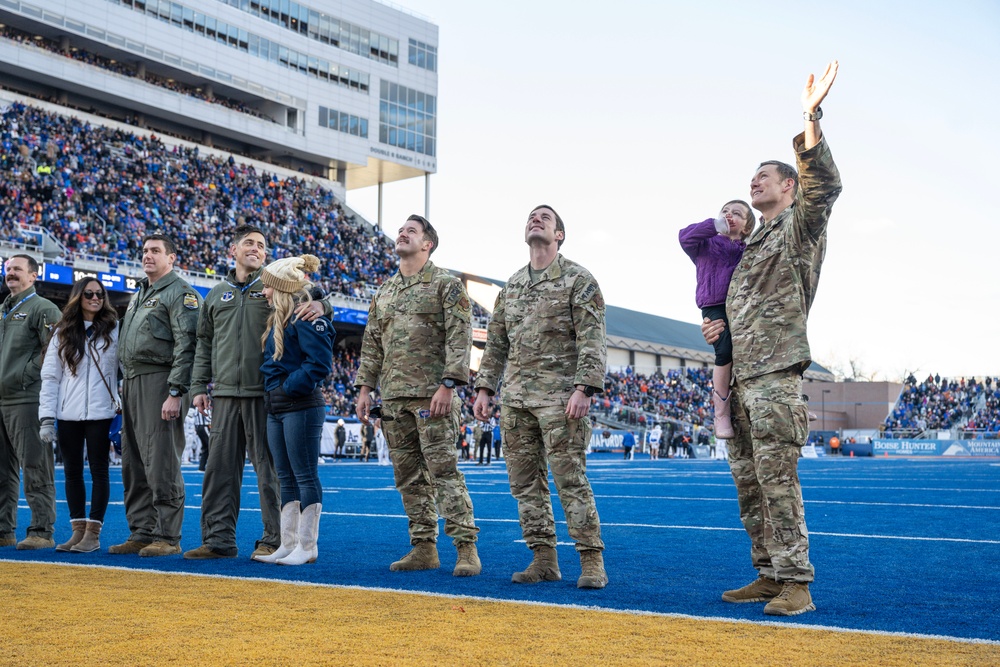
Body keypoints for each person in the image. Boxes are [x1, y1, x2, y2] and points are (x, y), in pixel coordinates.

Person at [702, 61, 842, 616]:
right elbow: (742, 309)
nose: (753, 181)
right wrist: (719, 326)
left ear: (789, 186)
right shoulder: (750, 247)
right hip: (739, 379)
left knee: (778, 481)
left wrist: (809, 118)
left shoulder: (799, 225)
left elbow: (826, 185)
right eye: (751, 176)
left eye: (766, 175)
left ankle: (797, 583)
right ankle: (767, 572)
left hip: (776, 378)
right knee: (749, 485)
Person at [474, 204, 608, 589]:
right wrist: (485, 388)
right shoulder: (512, 286)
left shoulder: (578, 279)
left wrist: (584, 387)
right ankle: (543, 558)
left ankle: (590, 559)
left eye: (545, 218)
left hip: (561, 398)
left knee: (571, 481)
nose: (536, 220)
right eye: (532, 217)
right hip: (515, 400)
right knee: (525, 483)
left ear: (559, 235)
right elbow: (496, 342)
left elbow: (592, 337)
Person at [354, 214, 481, 577]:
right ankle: (424, 547)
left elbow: (461, 337)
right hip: (393, 398)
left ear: (428, 243)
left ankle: (465, 548)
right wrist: (365, 388)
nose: (403, 233)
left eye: (412, 230)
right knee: (408, 476)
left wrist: (449, 384)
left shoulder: (446, 285)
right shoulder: (385, 291)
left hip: (432, 395)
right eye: (401, 230)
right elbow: (372, 343)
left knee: (444, 473)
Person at [184, 225, 282, 561]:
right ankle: (218, 540)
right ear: (233, 250)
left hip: (263, 394)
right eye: (249, 243)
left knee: (269, 471)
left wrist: (323, 308)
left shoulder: (275, 289)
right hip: (224, 394)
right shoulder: (215, 294)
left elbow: (315, 304)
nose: (255, 249)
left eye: (261, 245)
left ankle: (275, 540)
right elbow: (203, 345)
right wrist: (198, 386)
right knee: (219, 470)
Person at [110, 234, 201, 557]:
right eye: (145, 250)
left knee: (161, 458)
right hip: (133, 382)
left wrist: (176, 391)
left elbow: (187, 345)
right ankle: (141, 531)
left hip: (161, 381)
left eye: (155, 251)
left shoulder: (180, 293)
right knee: (132, 461)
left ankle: (167, 535)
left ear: (171, 258)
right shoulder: (140, 293)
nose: (148, 256)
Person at [257, 254, 334, 566]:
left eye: (268, 287)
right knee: (285, 476)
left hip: (300, 406)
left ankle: (307, 546)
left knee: (304, 474)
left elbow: (319, 365)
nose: (263, 292)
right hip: (278, 407)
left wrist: (287, 388)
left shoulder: (306, 318)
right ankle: (288, 544)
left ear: (282, 289)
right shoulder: (280, 319)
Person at [39, 277, 119, 553]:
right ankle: (77, 531)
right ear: (78, 297)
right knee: (72, 472)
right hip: (68, 412)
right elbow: (50, 376)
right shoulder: (63, 331)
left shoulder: (114, 328)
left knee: (99, 470)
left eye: (99, 294)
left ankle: (93, 534)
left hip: (101, 411)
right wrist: (47, 417)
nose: (95, 298)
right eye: (88, 294)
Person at [678, 201, 755, 438]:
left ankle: (790, 398)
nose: (729, 215)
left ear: (746, 227)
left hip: (745, 308)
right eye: (725, 211)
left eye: (737, 214)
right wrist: (713, 225)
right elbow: (684, 237)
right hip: (715, 305)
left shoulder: (748, 250)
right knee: (724, 350)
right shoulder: (706, 243)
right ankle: (721, 413)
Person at [0, 254, 61, 550]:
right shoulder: (3, 310)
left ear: (33, 276)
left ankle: (41, 530)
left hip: (26, 398)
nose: (10, 273)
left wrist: (26, 373)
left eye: (17, 269)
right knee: (2, 471)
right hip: (2, 398)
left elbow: (58, 348)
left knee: (36, 466)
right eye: (8, 269)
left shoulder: (43, 308)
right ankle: (3, 530)